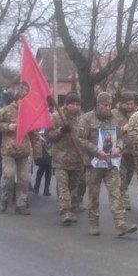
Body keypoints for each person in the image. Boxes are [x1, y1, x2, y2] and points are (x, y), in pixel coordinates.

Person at [76, 92, 137, 237]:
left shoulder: (114, 119)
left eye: (109, 105)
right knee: (93, 194)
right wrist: (96, 151)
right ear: (98, 105)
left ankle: (120, 223)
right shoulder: (86, 119)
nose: (107, 108)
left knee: (116, 192)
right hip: (94, 163)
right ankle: (93, 223)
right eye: (104, 105)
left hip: (111, 162)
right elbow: (81, 139)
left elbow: (121, 137)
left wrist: (119, 148)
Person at [0, 94, 42, 215]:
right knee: (9, 176)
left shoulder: (29, 113)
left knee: (24, 179)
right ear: (17, 100)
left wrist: (37, 152)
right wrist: (7, 126)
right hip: (9, 151)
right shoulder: (6, 110)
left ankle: (21, 204)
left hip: (23, 152)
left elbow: (34, 135)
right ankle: (5, 198)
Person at [45, 92, 84, 225]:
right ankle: (65, 212)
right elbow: (48, 135)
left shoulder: (83, 118)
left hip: (77, 158)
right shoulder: (57, 117)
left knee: (73, 187)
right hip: (61, 158)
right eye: (72, 104)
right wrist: (61, 131)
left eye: (78, 104)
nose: (75, 107)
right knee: (63, 187)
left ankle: (71, 207)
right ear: (66, 105)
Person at [112, 91, 136, 210]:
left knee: (128, 176)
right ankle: (124, 202)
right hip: (120, 151)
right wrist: (123, 129)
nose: (130, 106)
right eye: (127, 104)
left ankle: (121, 195)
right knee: (121, 176)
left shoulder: (136, 115)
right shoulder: (114, 114)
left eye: (132, 104)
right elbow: (109, 133)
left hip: (133, 151)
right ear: (121, 103)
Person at [33, 130, 52, 196]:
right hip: (44, 154)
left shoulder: (50, 130)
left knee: (48, 173)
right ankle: (37, 188)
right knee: (40, 172)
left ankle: (46, 190)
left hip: (50, 155)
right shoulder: (41, 129)